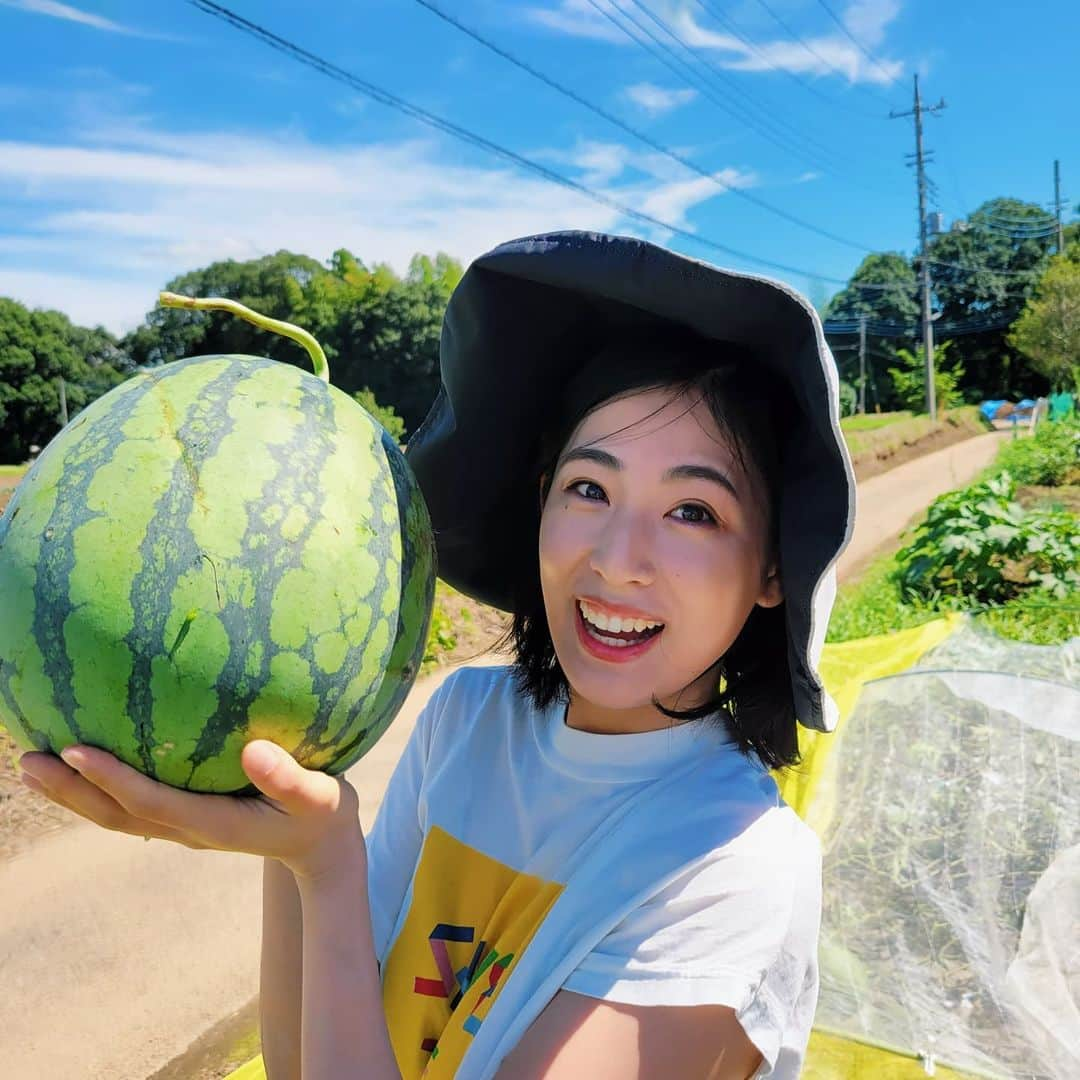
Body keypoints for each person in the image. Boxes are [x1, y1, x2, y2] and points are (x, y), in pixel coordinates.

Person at [17, 231, 854, 1079]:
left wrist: (327, 866)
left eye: (693, 512)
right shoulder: (465, 720)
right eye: (589, 489)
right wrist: (288, 834)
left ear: (774, 568)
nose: (615, 558)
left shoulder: (734, 871)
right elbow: (302, 1061)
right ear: (542, 506)